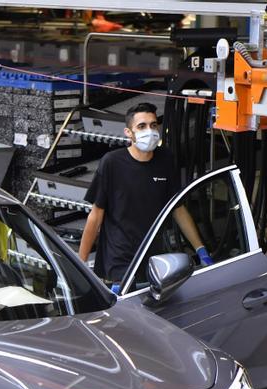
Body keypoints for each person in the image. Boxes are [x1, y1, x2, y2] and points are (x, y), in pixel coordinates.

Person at [78, 102, 211, 290]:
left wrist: (201, 250)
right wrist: (81, 265)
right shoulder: (112, 163)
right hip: (120, 263)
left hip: (155, 259)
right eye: (141, 126)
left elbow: (178, 209)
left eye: (153, 125)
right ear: (128, 133)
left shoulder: (165, 159)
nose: (149, 130)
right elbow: (95, 216)